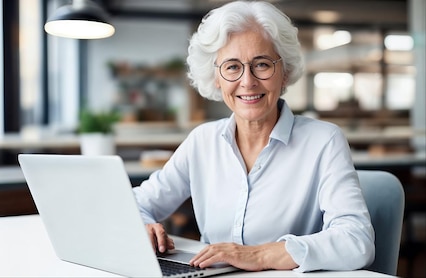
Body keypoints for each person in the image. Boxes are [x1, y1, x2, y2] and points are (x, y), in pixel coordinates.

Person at [132, 0, 375, 273]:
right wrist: (142, 224)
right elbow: (135, 203)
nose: (248, 82)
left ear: (284, 73)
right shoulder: (202, 141)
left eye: (262, 64)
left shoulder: (324, 141)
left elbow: (357, 241)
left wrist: (258, 256)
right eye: (233, 67)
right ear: (216, 78)